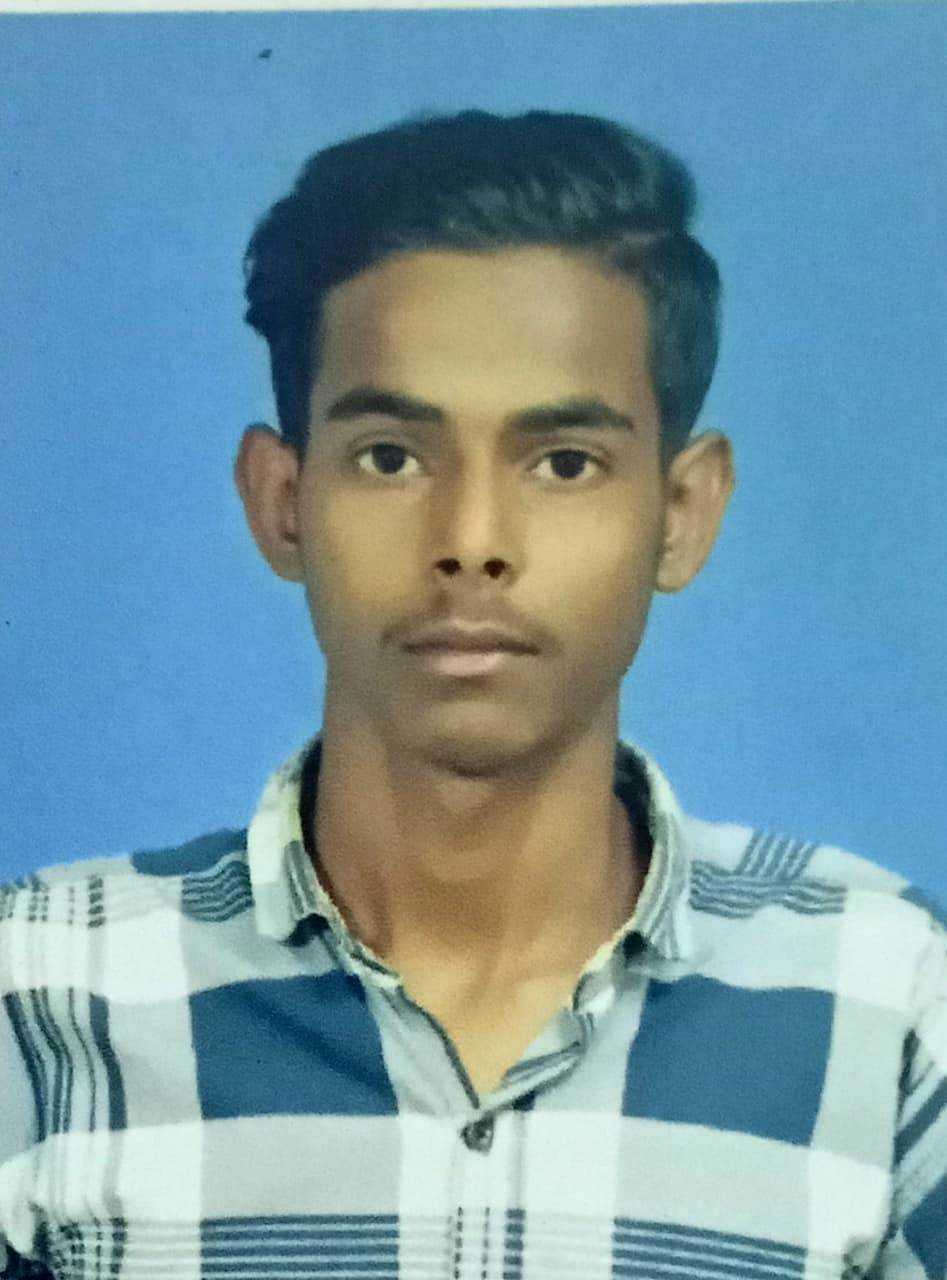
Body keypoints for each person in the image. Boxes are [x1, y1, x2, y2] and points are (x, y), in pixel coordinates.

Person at [1, 110, 944, 1280]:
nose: (472, 539)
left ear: (680, 511)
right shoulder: (38, 989)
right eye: (391, 456)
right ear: (282, 501)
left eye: (563, 462)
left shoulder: (885, 998)